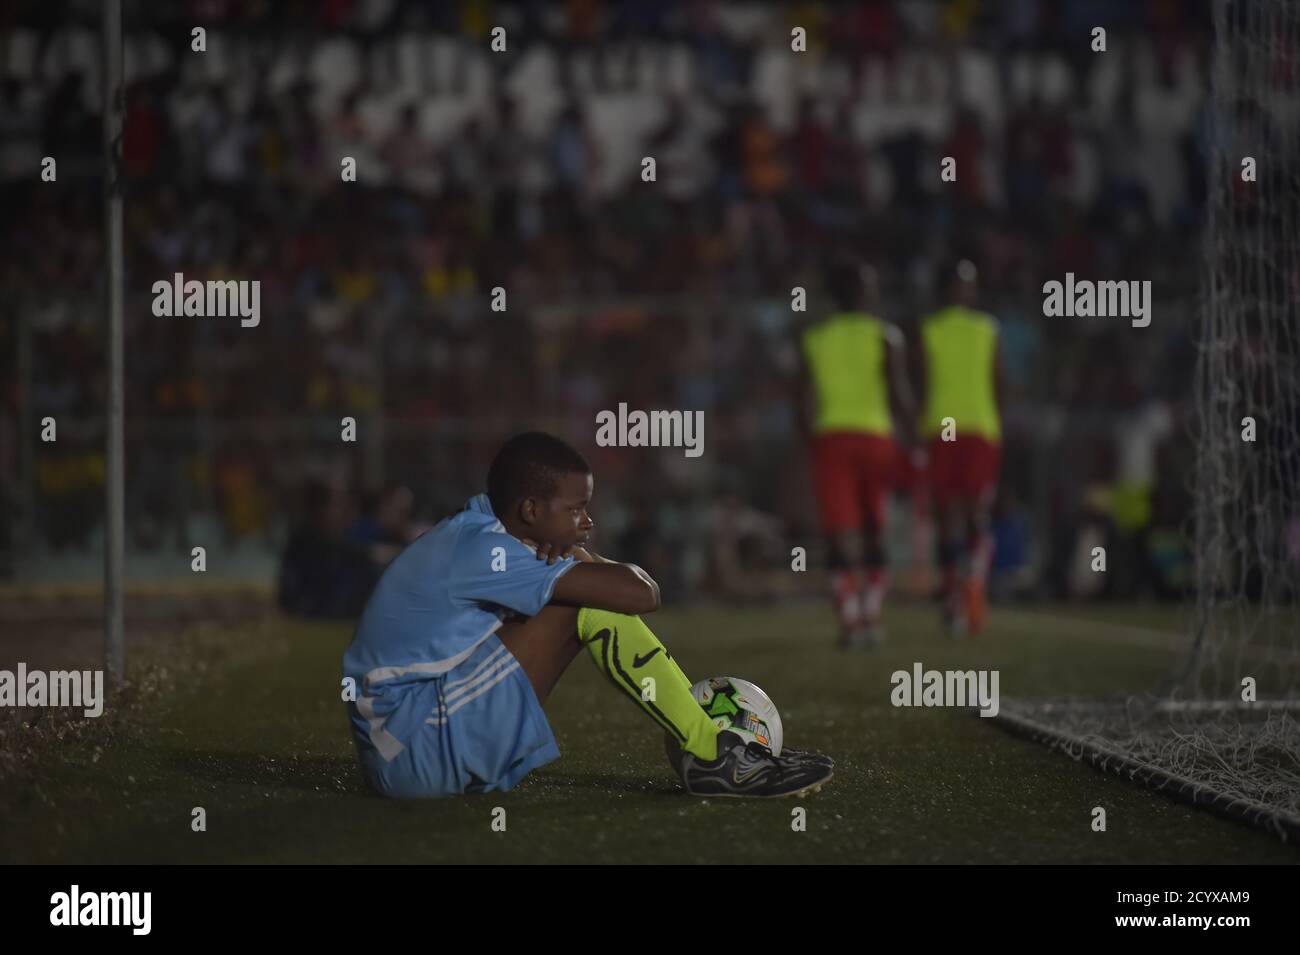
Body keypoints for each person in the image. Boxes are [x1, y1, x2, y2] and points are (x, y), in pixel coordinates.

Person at [342, 432, 834, 798]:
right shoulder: (488, 550)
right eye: (577, 509)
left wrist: (570, 550)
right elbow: (641, 595)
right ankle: (714, 753)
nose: (588, 522)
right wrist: (578, 559)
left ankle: (718, 747)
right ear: (531, 509)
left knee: (575, 597)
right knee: (586, 602)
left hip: (405, 741)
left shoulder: (483, 528)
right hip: (415, 749)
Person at [798, 260, 916, 647]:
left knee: (841, 534)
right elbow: (900, 395)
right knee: (875, 530)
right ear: (866, 293)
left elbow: (802, 399)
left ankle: (851, 619)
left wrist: (809, 446)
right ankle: (870, 614)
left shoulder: (815, 337)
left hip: (831, 439)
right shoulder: (887, 336)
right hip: (875, 439)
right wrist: (915, 444)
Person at [916, 260, 1003, 635]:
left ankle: (971, 592)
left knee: (970, 513)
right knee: (952, 513)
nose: (965, 291)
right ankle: (958, 597)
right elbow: (923, 381)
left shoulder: (986, 328)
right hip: (946, 428)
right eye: (960, 284)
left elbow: (996, 380)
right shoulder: (932, 329)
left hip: (973, 427)